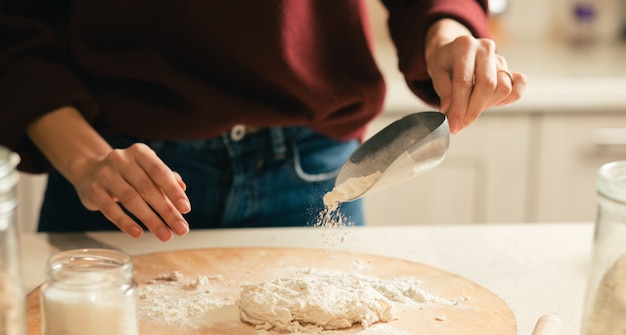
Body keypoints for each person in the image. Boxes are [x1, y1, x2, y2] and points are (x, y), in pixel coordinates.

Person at [0, 1, 526, 242]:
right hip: (122, 180)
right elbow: (14, 25)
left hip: (312, 173)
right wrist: (87, 160)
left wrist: (444, 32)